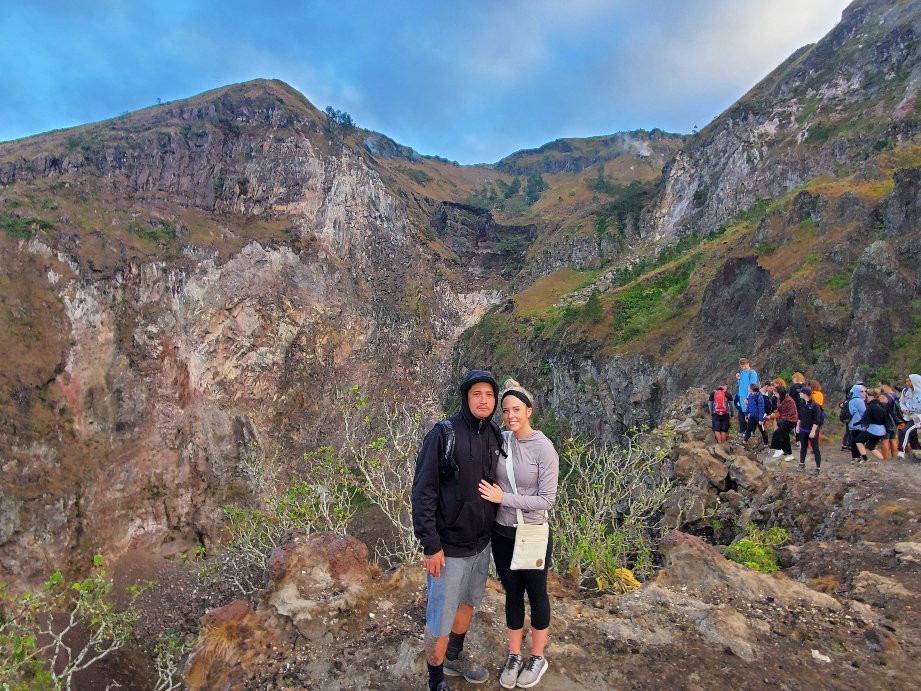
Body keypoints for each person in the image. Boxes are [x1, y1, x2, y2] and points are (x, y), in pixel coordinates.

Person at [412, 370, 505, 691]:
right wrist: (430, 544)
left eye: (489, 394)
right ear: (466, 398)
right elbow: (423, 491)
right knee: (440, 618)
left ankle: (453, 656)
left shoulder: (493, 433)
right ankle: (435, 681)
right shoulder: (443, 435)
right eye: (477, 394)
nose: (484, 400)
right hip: (448, 548)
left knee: (468, 604)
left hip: (481, 544)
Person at [479, 379, 559, 689]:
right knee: (512, 594)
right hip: (502, 532)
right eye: (506, 410)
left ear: (529, 410)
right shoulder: (502, 440)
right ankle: (514, 654)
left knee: (536, 593)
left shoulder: (544, 448)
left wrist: (504, 499)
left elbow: (546, 499)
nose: (511, 415)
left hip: (533, 532)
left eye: (517, 409)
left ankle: (537, 657)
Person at [853, 388, 887, 462]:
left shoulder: (871, 406)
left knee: (858, 440)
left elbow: (865, 419)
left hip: (874, 429)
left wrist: (856, 423)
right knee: (871, 446)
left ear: (869, 396)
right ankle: (883, 461)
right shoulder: (882, 405)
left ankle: (865, 459)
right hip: (882, 429)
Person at [795, 386, 823, 474]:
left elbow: (817, 420)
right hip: (803, 428)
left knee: (815, 448)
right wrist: (797, 426)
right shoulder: (802, 403)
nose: (799, 394)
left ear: (805, 394)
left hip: (811, 429)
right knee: (803, 447)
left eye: (801, 393)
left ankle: (817, 467)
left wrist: (813, 431)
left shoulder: (815, 406)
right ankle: (801, 463)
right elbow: (800, 416)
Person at [769, 386, 797, 462]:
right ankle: (789, 454)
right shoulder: (779, 399)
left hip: (791, 420)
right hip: (783, 420)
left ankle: (778, 449)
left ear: (780, 393)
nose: (774, 395)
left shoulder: (789, 400)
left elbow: (789, 413)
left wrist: (776, 415)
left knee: (777, 433)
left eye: (775, 393)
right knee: (785, 437)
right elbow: (778, 410)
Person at [899, 374, 921, 458]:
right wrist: (904, 409)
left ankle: (901, 452)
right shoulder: (905, 391)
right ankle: (916, 451)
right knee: (912, 436)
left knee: (905, 431)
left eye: (909, 381)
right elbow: (901, 402)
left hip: (918, 417)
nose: (906, 383)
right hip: (910, 416)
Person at [736, 358, 759, 435]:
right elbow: (740, 383)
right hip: (741, 395)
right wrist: (738, 379)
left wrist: (748, 397)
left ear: (748, 364)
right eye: (742, 366)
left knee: (749, 414)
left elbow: (752, 387)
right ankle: (746, 430)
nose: (744, 368)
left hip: (748, 396)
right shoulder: (742, 372)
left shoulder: (752, 373)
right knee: (744, 413)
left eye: (745, 366)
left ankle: (751, 431)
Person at [847, 384, 868, 462]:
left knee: (854, 439)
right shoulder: (859, 401)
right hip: (858, 424)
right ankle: (858, 457)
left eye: (865, 391)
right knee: (859, 441)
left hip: (853, 423)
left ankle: (855, 457)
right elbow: (864, 412)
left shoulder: (852, 400)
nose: (864, 393)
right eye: (862, 391)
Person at [742, 382, 767, 447]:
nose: (747, 389)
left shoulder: (759, 397)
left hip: (758, 417)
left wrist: (761, 419)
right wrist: (746, 413)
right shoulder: (750, 395)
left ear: (751, 389)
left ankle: (766, 444)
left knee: (762, 431)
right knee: (748, 429)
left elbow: (761, 409)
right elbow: (749, 405)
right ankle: (744, 442)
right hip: (752, 416)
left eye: (748, 387)